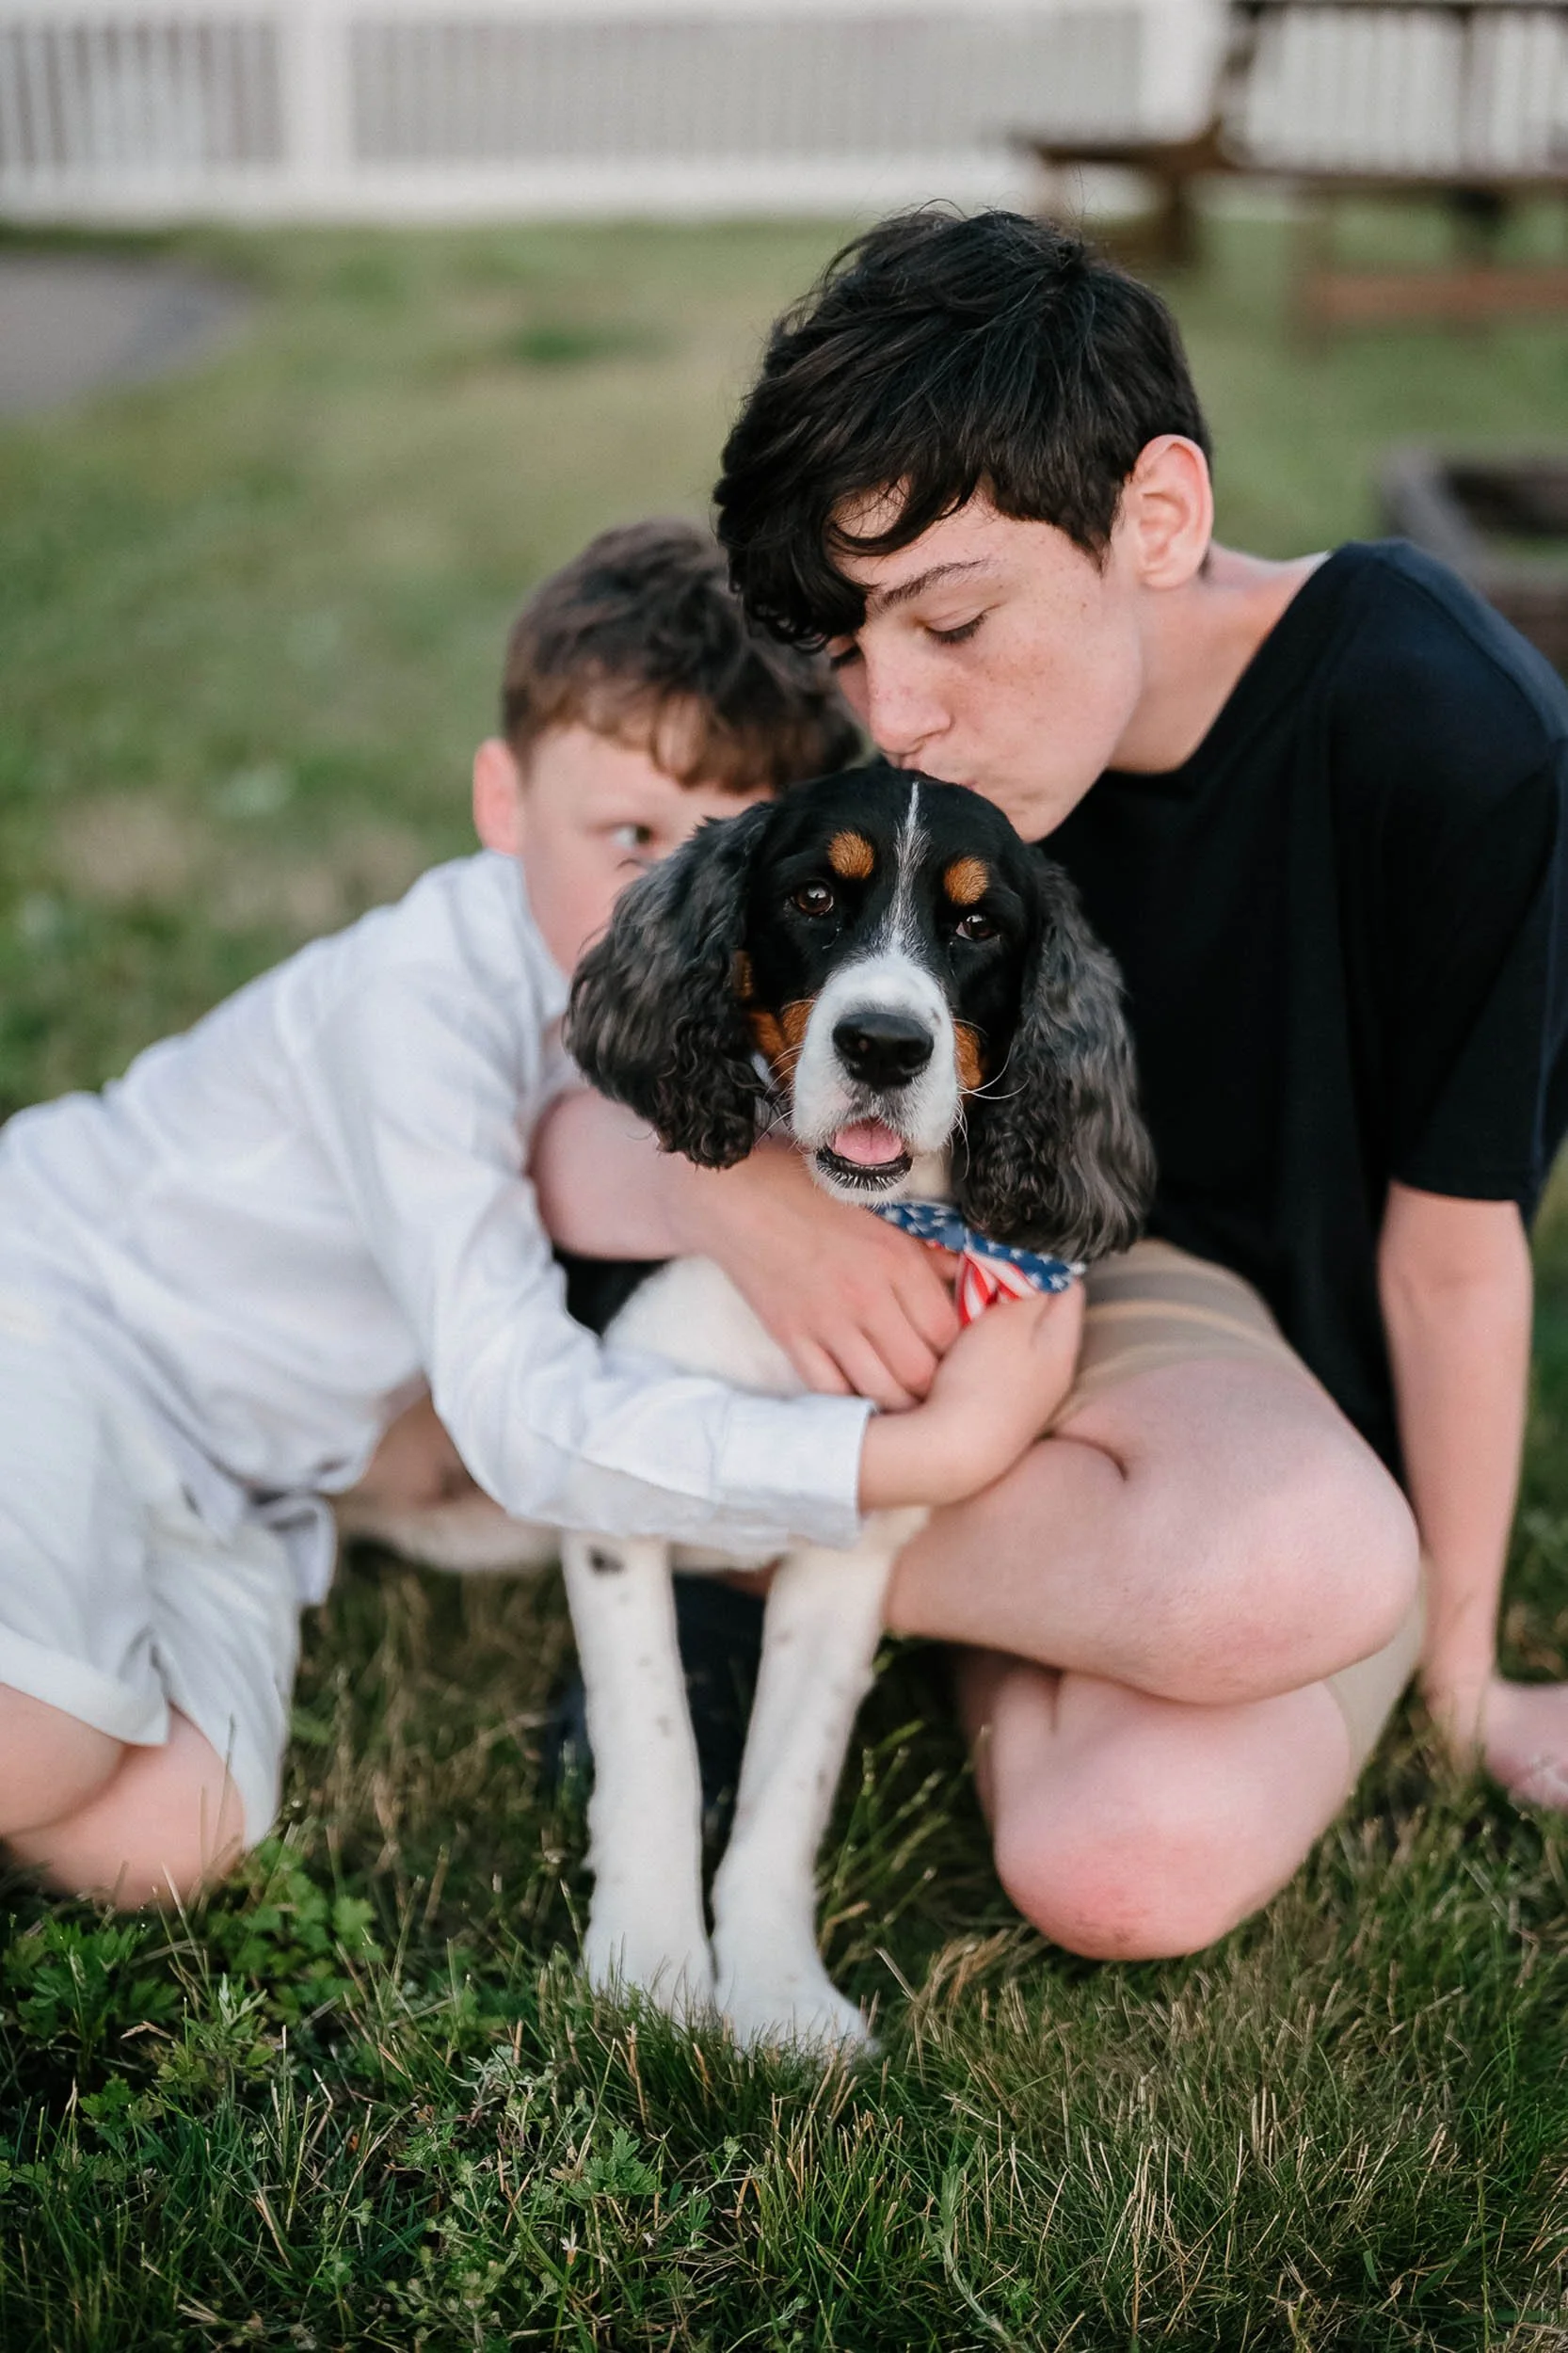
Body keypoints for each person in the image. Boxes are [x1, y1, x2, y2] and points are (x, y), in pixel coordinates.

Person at [535, 212, 1568, 1961]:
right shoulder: (885, 750)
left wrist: (1459, 1679)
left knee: (1126, 1860)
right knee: (1240, 1607)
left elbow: (1452, 1253)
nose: (900, 715)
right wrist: (744, 1204)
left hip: (1234, 1349)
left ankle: (737, 1535)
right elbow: (589, 1070)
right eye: (850, 654)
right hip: (968, 1267)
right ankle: (883, 1535)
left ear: (1152, 520)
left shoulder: (1456, 734)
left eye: (951, 619)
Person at [0, 517, 1077, 1911]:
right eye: (625, 835)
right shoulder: (413, 1007)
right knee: (39, 1748)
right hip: (59, 1323)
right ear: (502, 802)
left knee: (163, 1843)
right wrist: (897, 1463)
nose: (663, 898)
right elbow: (523, 1421)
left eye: (709, 856)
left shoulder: (729, 1024)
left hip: (243, 1486)